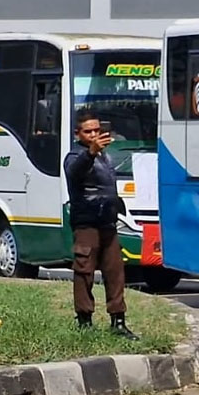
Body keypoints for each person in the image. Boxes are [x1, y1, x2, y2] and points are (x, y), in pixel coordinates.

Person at [64, 109, 138, 339]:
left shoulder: (105, 157)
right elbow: (75, 173)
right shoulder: (75, 156)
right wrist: (91, 153)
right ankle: (84, 321)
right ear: (78, 134)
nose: (94, 134)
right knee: (84, 271)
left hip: (107, 223)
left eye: (97, 130)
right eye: (88, 131)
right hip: (87, 224)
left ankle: (118, 321)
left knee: (115, 271)